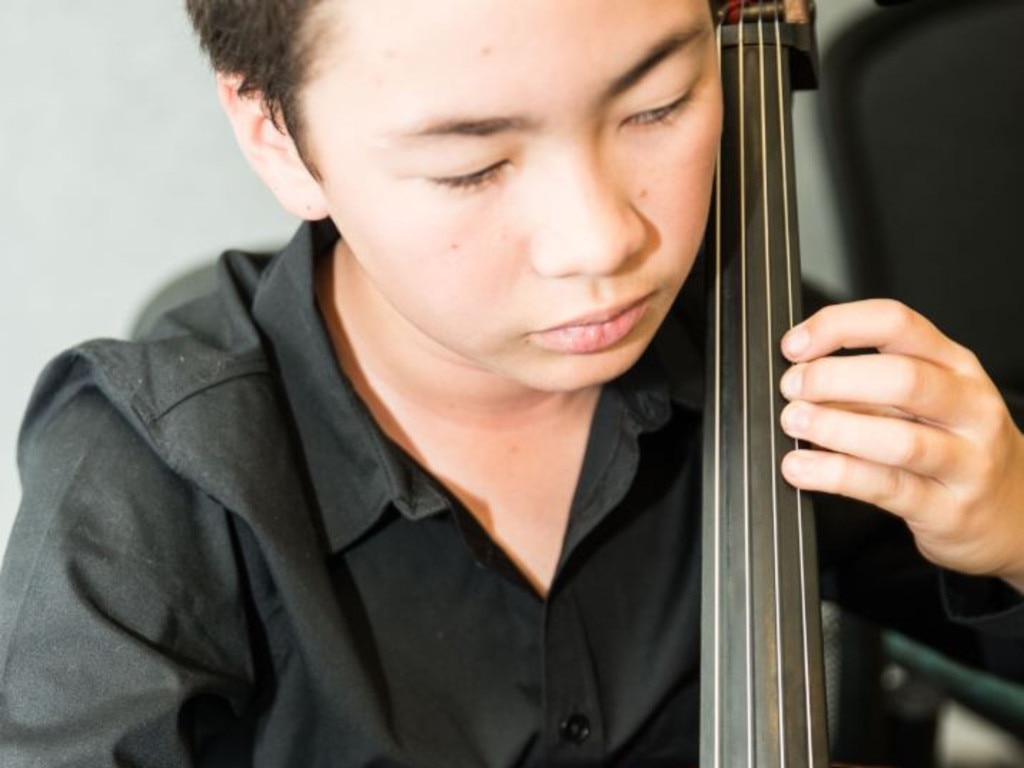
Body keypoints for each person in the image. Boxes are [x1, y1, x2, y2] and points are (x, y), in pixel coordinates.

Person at [1, 0, 1022, 765]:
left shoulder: (767, 345)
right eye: (472, 168)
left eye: (658, 104)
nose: (604, 241)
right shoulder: (149, 477)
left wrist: (1012, 526)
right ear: (277, 136)